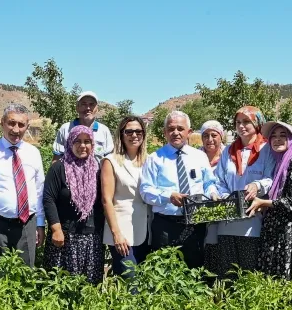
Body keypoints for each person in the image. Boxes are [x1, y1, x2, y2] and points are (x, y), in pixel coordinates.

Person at [140, 111, 217, 269]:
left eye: (180, 128)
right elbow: (145, 190)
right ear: (165, 132)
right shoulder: (155, 159)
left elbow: (209, 183)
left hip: (195, 225)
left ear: (189, 131)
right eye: (171, 128)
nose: (175, 132)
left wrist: (213, 194)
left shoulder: (199, 157)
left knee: (194, 271)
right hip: (166, 225)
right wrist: (169, 197)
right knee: (164, 273)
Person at [0, 104, 45, 271]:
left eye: (21, 125)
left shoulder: (33, 153)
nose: (16, 129)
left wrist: (40, 223)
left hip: (27, 223)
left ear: (27, 127)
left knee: (25, 275)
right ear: (2, 124)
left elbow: (39, 190)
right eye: (11, 123)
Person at [208, 106, 274, 276]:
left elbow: (271, 177)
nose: (241, 126)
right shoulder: (228, 151)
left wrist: (257, 185)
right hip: (228, 219)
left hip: (253, 220)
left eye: (246, 121)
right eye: (238, 122)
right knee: (227, 271)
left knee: (249, 272)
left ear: (257, 123)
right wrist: (223, 197)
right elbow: (219, 180)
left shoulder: (267, 149)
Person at [247, 122, 292, 278]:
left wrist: (264, 203)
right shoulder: (279, 161)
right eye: (273, 137)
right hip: (278, 228)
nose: (277, 140)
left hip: (290, 230)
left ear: (291, 139)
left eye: (283, 136)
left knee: (286, 280)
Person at [44, 126, 105, 282]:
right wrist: (56, 229)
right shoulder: (59, 168)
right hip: (64, 237)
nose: (82, 145)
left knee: (90, 287)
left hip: (92, 238)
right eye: (77, 141)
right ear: (69, 143)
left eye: (87, 141)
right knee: (61, 286)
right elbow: (48, 198)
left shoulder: (98, 169)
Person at [101, 116, 150, 278]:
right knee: (130, 283)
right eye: (129, 131)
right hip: (123, 232)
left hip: (147, 231)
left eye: (138, 131)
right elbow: (106, 200)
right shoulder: (111, 161)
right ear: (121, 135)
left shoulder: (149, 160)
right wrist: (117, 234)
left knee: (145, 283)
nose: (134, 135)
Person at [52, 91, 114, 160]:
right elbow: (56, 159)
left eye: (91, 104)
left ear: (97, 109)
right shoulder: (65, 129)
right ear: (77, 108)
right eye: (84, 104)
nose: (88, 108)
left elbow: (110, 160)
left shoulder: (104, 130)